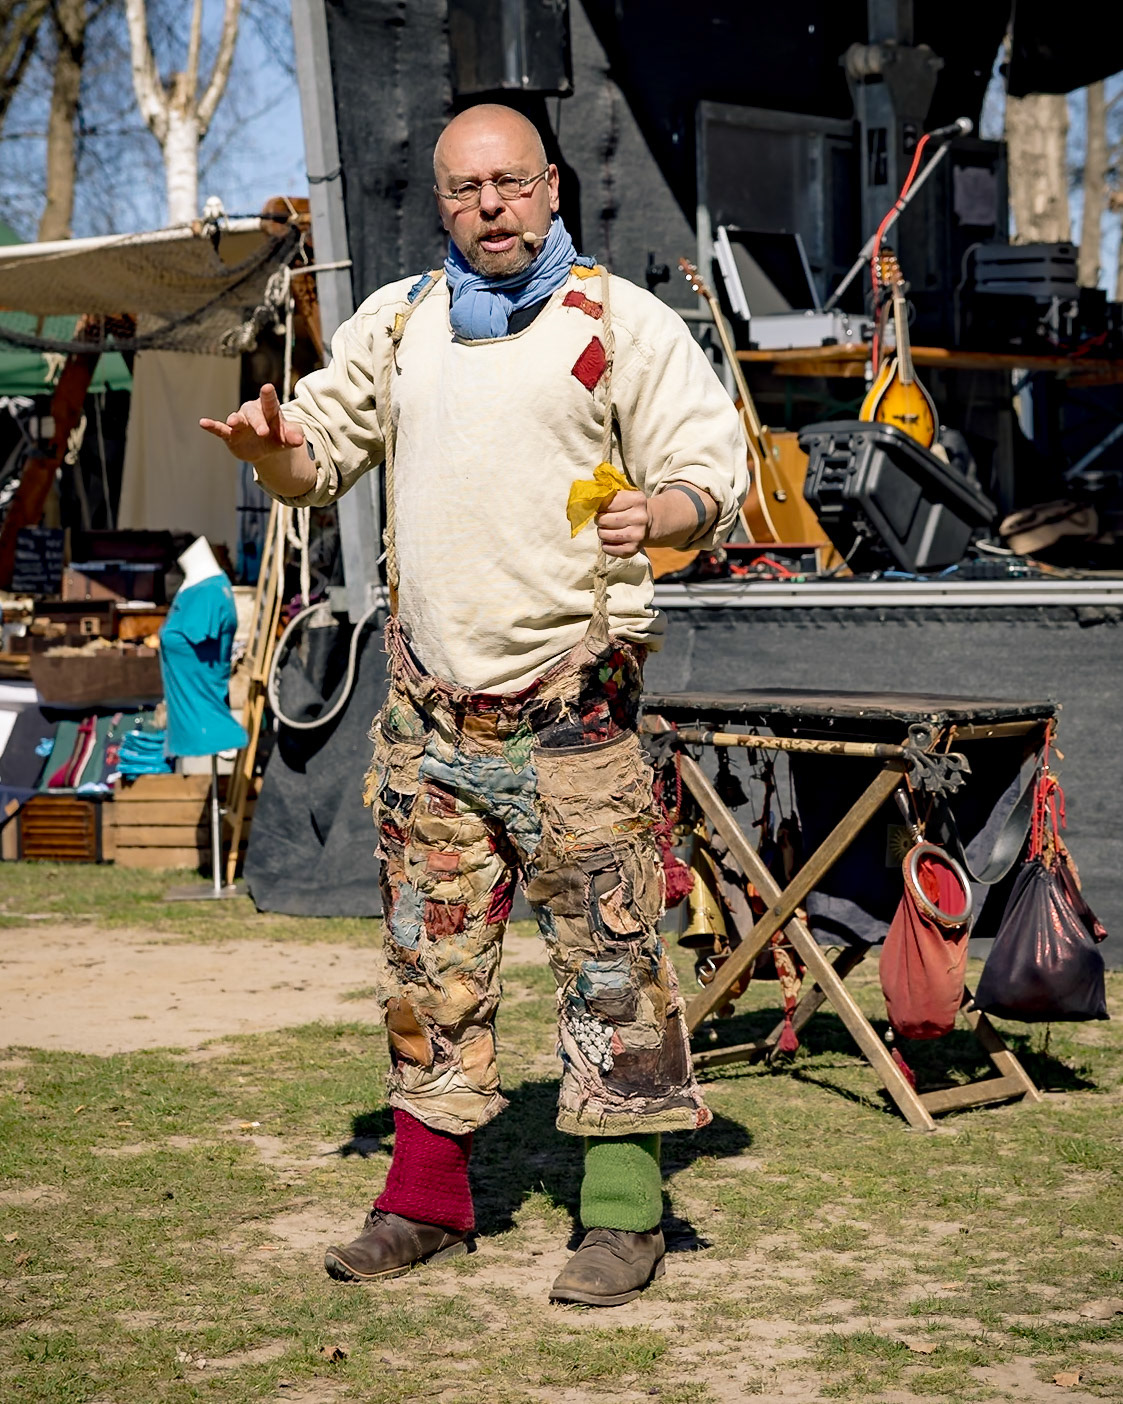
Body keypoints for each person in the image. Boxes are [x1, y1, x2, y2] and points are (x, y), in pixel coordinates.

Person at [201, 103, 747, 1307]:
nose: (489, 205)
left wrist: (658, 516)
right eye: (464, 189)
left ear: (550, 187)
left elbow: (716, 470)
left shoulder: (615, 321)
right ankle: (426, 1203)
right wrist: (267, 454)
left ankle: (622, 1216)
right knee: (428, 972)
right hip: (430, 728)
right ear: (440, 202)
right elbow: (317, 451)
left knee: (612, 972)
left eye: (508, 183)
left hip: (576, 719)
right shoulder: (399, 325)